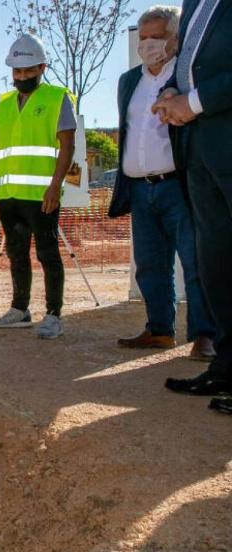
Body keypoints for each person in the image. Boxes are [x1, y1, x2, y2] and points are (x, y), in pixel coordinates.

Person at [115, 6, 216, 359]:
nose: (148, 44)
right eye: (143, 38)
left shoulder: (187, 78)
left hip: (180, 186)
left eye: (156, 37)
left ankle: (205, 335)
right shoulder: (129, 81)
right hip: (140, 188)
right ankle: (159, 330)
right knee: (150, 265)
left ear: (176, 39)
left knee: (195, 262)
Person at [152, 0, 232, 414]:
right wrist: (172, 92)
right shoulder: (194, 3)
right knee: (216, 264)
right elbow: (194, 64)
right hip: (201, 149)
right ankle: (227, 368)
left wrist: (194, 102)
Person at [0, 33, 76, 340]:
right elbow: (0, 150)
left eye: (28, 70)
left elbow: (67, 145)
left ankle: (53, 314)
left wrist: (55, 186)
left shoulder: (57, 98)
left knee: (48, 254)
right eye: (18, 71)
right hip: (10, 197)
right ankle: (20, 310)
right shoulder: (4, 105)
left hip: (41, 197)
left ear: (41, 68)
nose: (22, 76)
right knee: (16, 254)